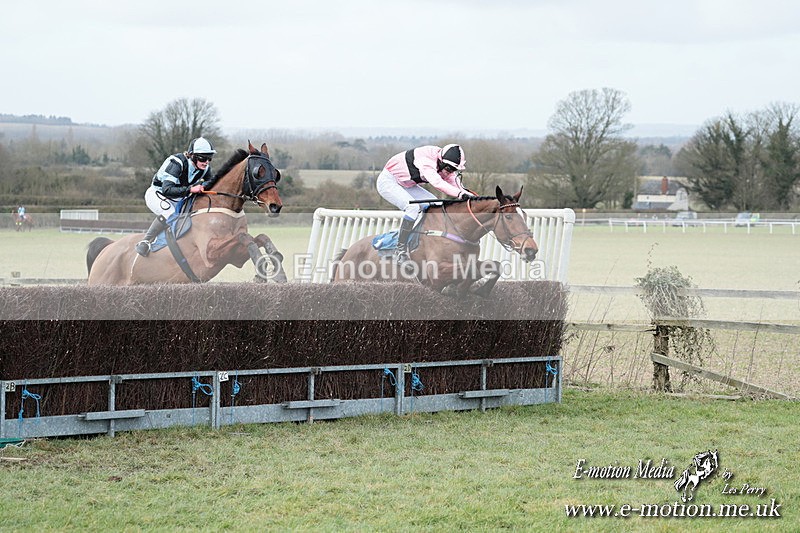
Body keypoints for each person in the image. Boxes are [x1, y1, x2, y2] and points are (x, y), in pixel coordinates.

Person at [376, 144, 475, 263]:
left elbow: (454, 182)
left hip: (407, 184)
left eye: (454, 170)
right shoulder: (427, 161)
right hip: (388, 181)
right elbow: (437, 183)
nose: (450, 172)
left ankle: (426, 240)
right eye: (449, 169)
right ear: (441, 161)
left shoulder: (444, 163)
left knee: (435, 206)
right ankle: (400, 250)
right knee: (412, 208)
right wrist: (460, 194)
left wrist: (470, 196)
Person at [135, 137, 216, 256]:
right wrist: (191, 189)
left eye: (209, 158)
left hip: (178, 198)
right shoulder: (177, 163)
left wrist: (203, 186)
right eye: (203, 158)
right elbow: (167, 189)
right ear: (192, 155)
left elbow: (211, 183)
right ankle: (146, 241)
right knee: (171, 213)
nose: (206, 162)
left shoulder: (205, 168)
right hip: (158, 195)